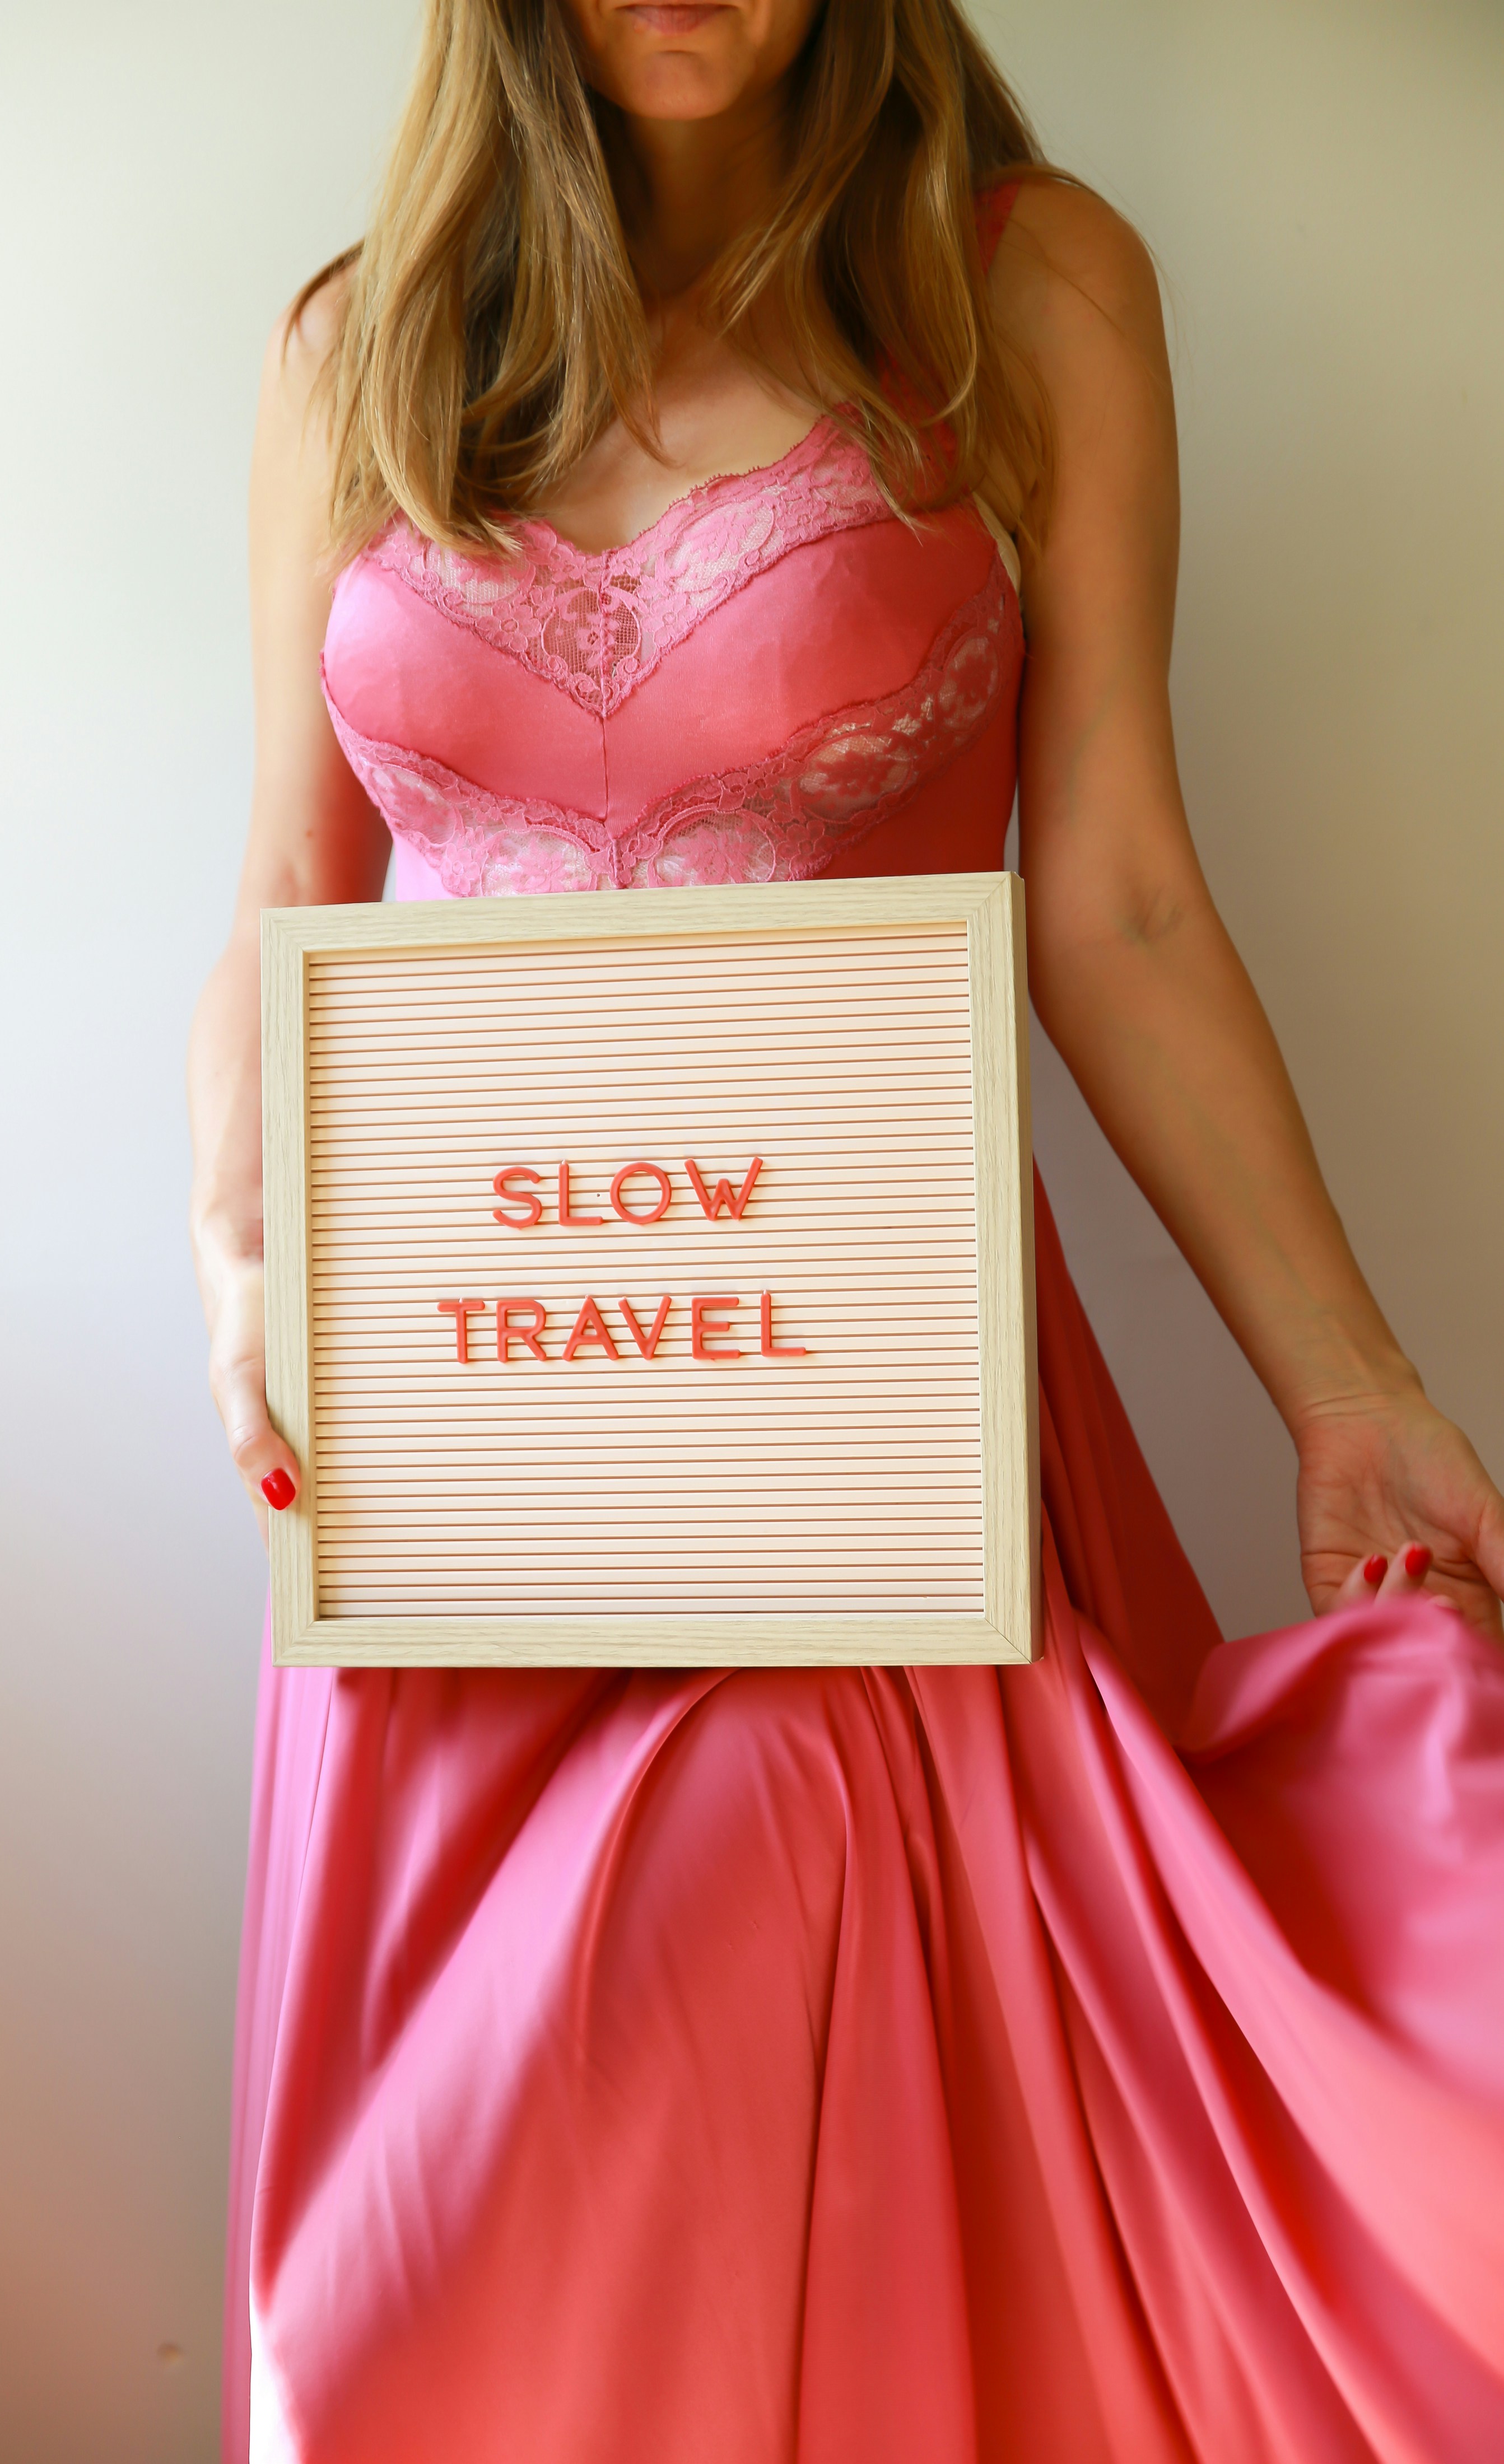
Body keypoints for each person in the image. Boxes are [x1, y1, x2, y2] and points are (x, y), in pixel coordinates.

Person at [187, 2, 1504, 2456]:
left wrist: (1349, 1389)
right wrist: (249, 1276)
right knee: (416, 2328)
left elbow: (1114, 901)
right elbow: (286, 883)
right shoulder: (354, 346)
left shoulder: (1027, 289)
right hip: (458, 1463)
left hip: (869, 1455)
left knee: (824, 2186)